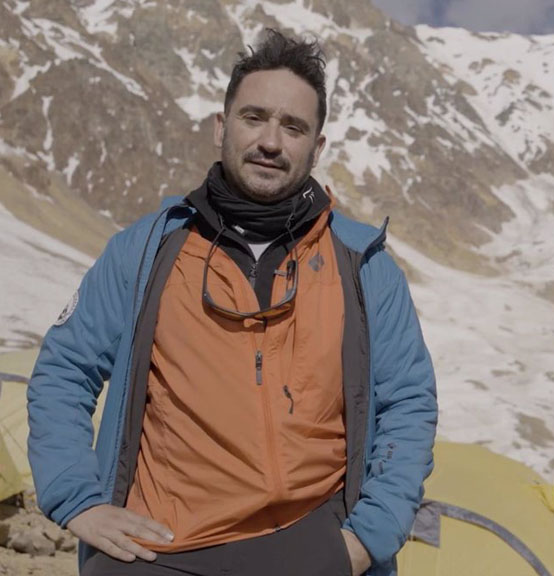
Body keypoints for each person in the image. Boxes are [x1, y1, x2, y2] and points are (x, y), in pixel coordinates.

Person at [27, 29, 437, 576]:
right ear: (221, 127)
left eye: (293, 127)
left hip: (316, 540)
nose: (270, 141)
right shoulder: (146, 251)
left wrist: (367, 540)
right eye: (254, 117)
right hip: (161, 543)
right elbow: (64, 370)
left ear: (317, 148)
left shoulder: (363, 265)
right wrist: (78, 500)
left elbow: (407, 404)